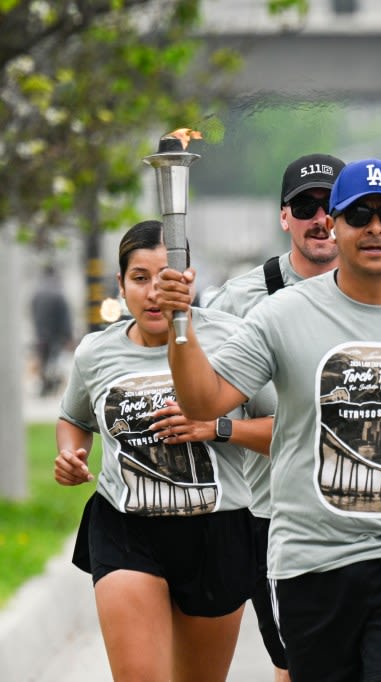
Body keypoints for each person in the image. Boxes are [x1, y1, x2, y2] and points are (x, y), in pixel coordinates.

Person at [153, 158, 381, 682]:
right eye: (359, 215)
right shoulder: (281, 316)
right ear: (335, 225)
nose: (376, 228)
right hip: (311, 563)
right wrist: (181, 327)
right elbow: (201, 403)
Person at [53, 220, 275, 682]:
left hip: (217, 530)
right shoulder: (96, 352)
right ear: (121, 284)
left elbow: (287, 431)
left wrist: (216, 426)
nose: (154, 292)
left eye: (166, 277)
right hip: (126, 526)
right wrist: (72, 455)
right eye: (139, 278)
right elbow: (74, 419)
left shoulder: (236, 339)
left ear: (188, 278)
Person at [203, 152, 344, 682]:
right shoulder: (237, 303)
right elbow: (200, 409)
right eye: (304, 206)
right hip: (273, 514)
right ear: (283, 217)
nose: (320, 218)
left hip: (372, 514)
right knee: (297, 665)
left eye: (332, 204)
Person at [31, 263, 73, 396]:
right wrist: (68, 335)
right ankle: (51, 385)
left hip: (41, 333)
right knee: (54, 361)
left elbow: (33, 312)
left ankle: (45, 385)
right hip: (56, 334)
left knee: (44, 360)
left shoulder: (37, 292)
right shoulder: (57, 291)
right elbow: (64, 315)